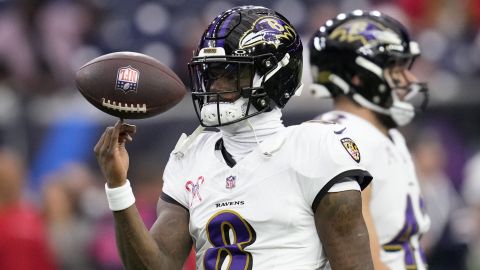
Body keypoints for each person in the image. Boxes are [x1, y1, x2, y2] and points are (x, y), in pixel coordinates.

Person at [94, 5, 374, 270]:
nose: (214, 86)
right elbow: (155, 265)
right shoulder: (190, 156)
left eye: (231, 74)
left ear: (273, 75)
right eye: (212, 74)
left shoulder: (315, 148)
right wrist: (117, 186)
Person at [308, 10, 431, 270]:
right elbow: (364, 261)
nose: (410, 80)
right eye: (396, 70)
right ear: (360, 77)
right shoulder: (342, 138)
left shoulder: (384, 135)